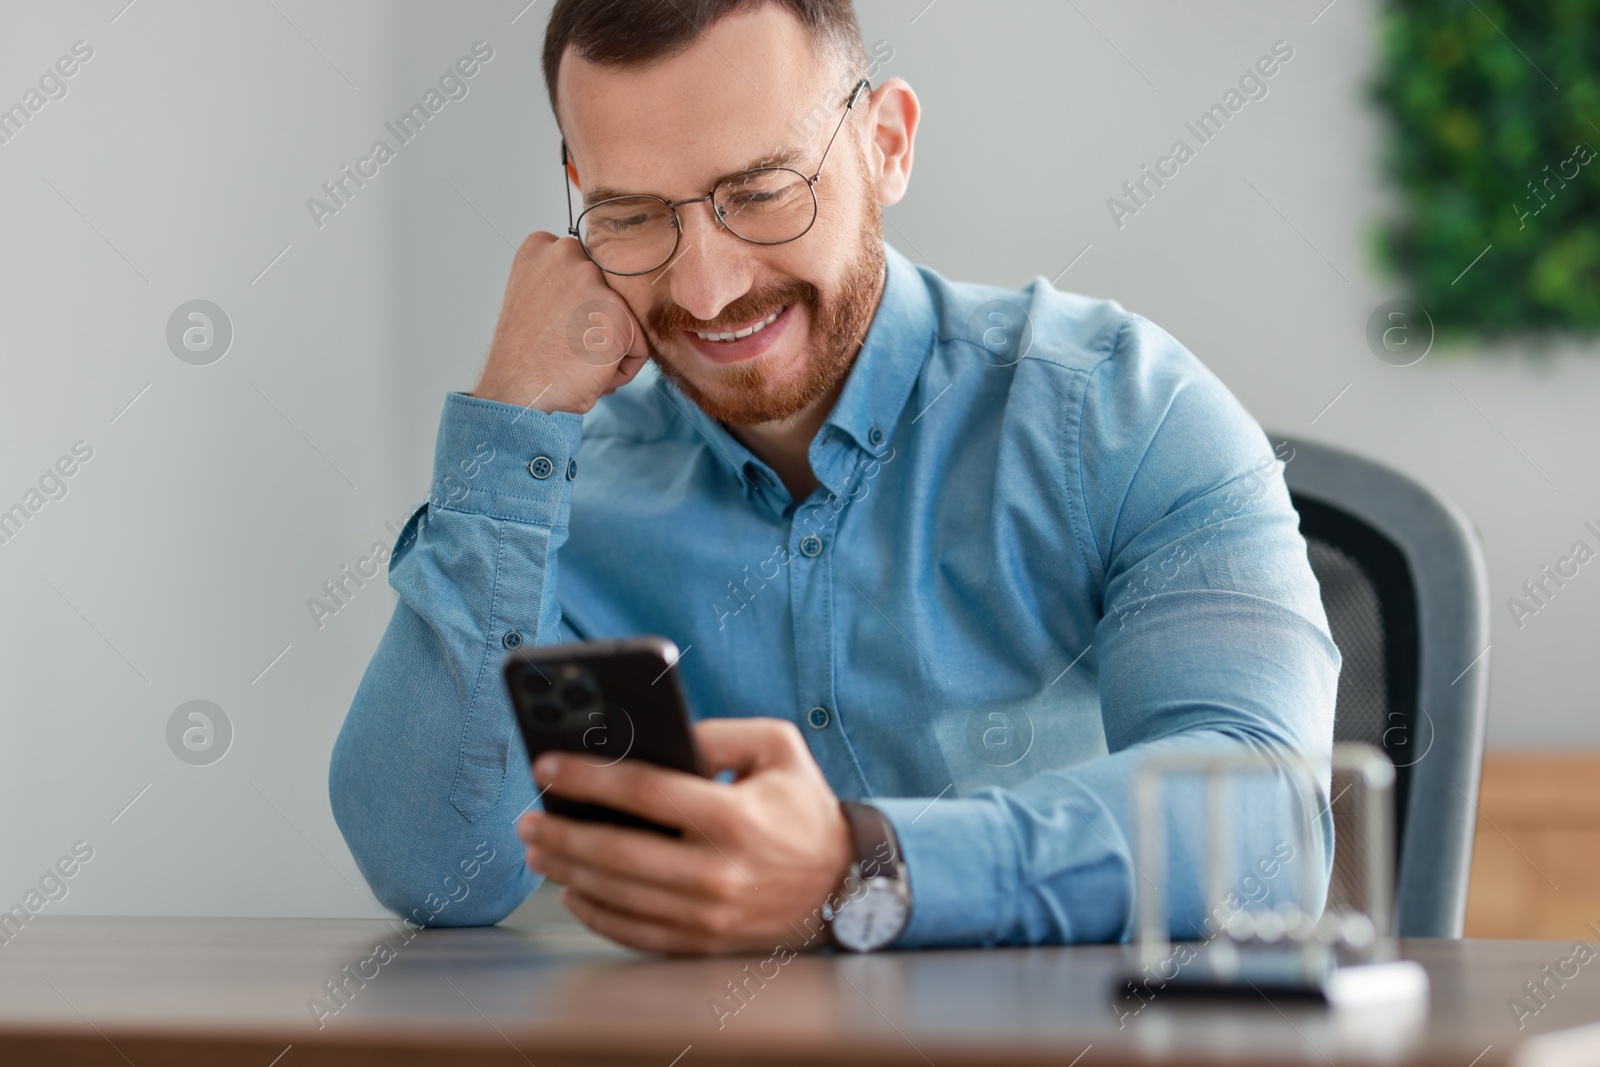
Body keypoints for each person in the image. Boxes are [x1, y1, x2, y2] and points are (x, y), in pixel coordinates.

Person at [329, 0, 1339, 955]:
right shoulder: (561, 490)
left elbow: (1264, 825)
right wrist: (508, 419)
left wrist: (861, 865)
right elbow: (439, 874)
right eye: (630, 215)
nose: (705, 288)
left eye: (761, 192)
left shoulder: (1125, 414)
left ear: (886, 144)